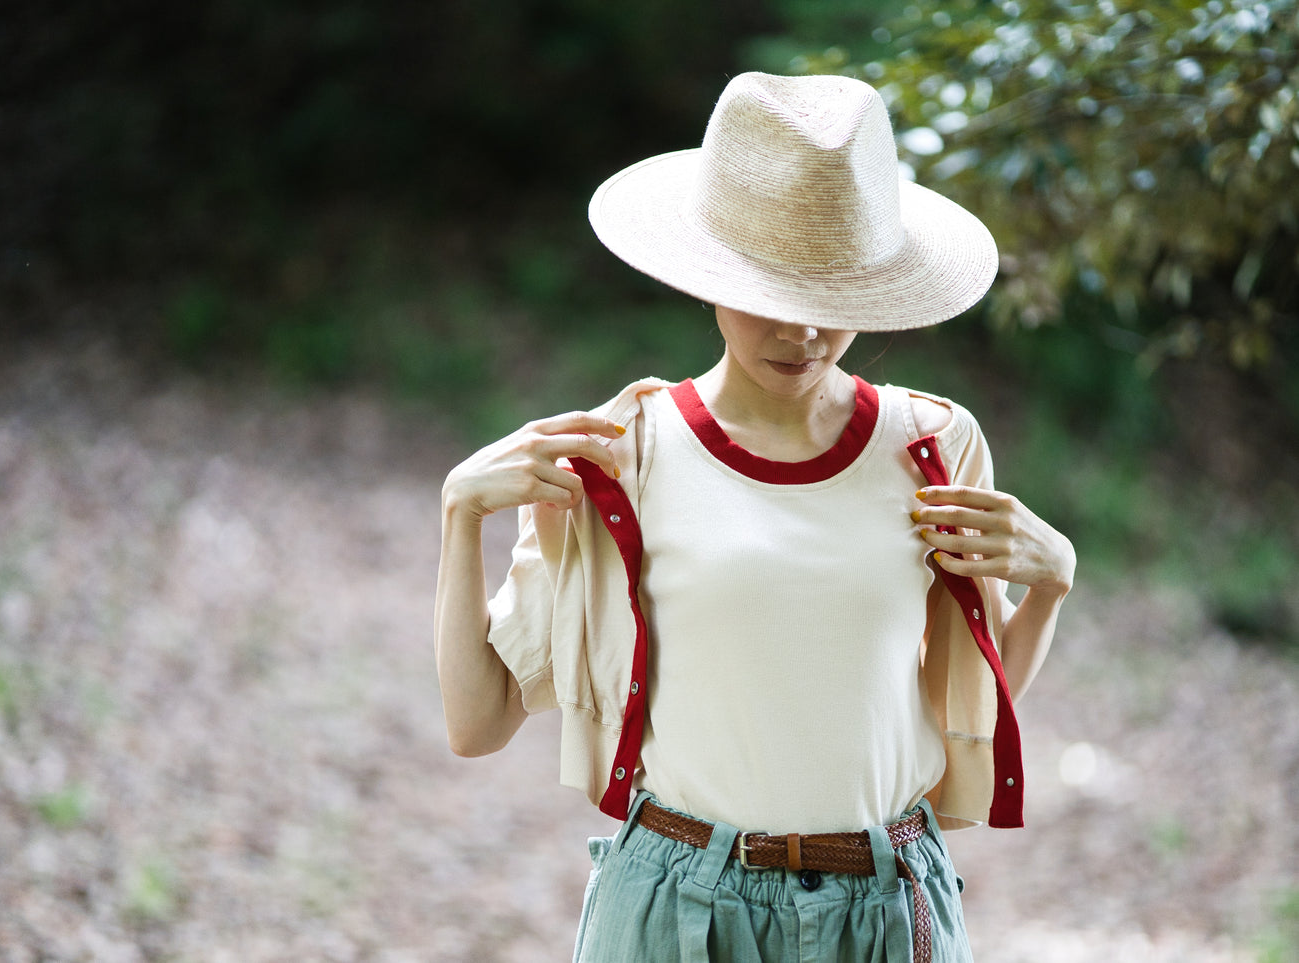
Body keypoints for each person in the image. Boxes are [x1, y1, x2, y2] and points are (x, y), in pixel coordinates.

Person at [434, 72, 1076, 963]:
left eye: (832, 298)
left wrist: (1048, 583)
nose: (802, 334)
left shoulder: (933, 445)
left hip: (884, 909)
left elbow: (969, 688)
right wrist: (460, 511)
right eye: (769, 292)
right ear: (709, 273)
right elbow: (479, 722)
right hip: (675, 907)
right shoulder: (625, 453)